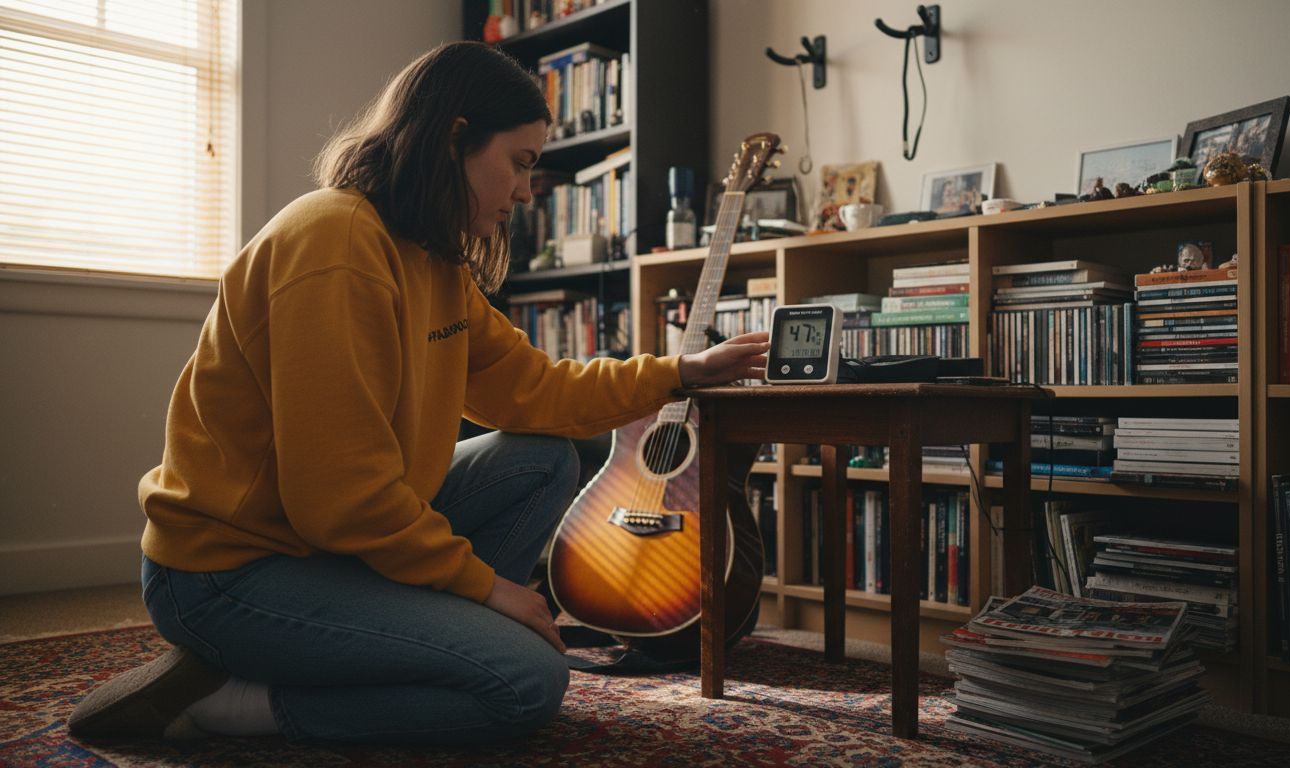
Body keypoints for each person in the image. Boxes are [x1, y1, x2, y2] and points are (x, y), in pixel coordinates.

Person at [68, 41, 769, 746]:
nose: (528, 192)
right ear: (454, 138)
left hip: (318, 548)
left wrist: (681, 371)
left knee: (541, 458)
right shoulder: (334, 243)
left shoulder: (430, 259)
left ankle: (398, 648)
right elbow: (341, 494)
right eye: (521, 163)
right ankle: (229, 699)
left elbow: (536, 393)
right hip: (228, 573)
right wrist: (486, 588)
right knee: (526, 683)